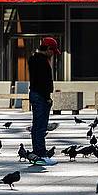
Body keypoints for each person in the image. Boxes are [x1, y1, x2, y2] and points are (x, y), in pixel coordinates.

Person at [27, 37, 61, 166]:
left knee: (37, 126)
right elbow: (42, 81)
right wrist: (47, 97)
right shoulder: (41, 61)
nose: (53, 54)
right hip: (40, 96)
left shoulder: (34, 58)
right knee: (40, 126)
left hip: (36, 94)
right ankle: (41, 154)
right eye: (52, 51)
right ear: (47, 49)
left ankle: (38, 153)